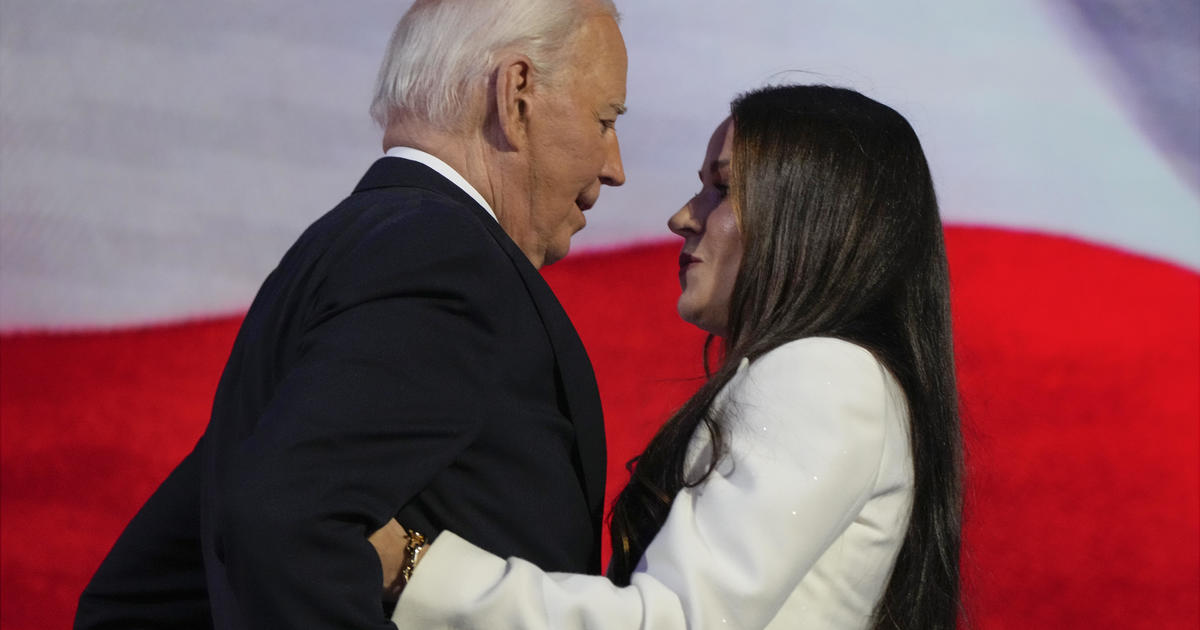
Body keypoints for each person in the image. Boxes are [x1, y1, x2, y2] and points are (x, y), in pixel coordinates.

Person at [74, 1, 626, 628]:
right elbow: (284, 519)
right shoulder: (444, 259)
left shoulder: (346, 250)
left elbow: (146, 590)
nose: (615, 167)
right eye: (605, 120)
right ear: (517, 93)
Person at [379, 84, 963, 629]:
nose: (683, 217)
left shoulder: (822, 373)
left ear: (814, 217)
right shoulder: (838, 374)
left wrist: (410, 568)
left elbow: (675, 619)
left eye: (723, 188)